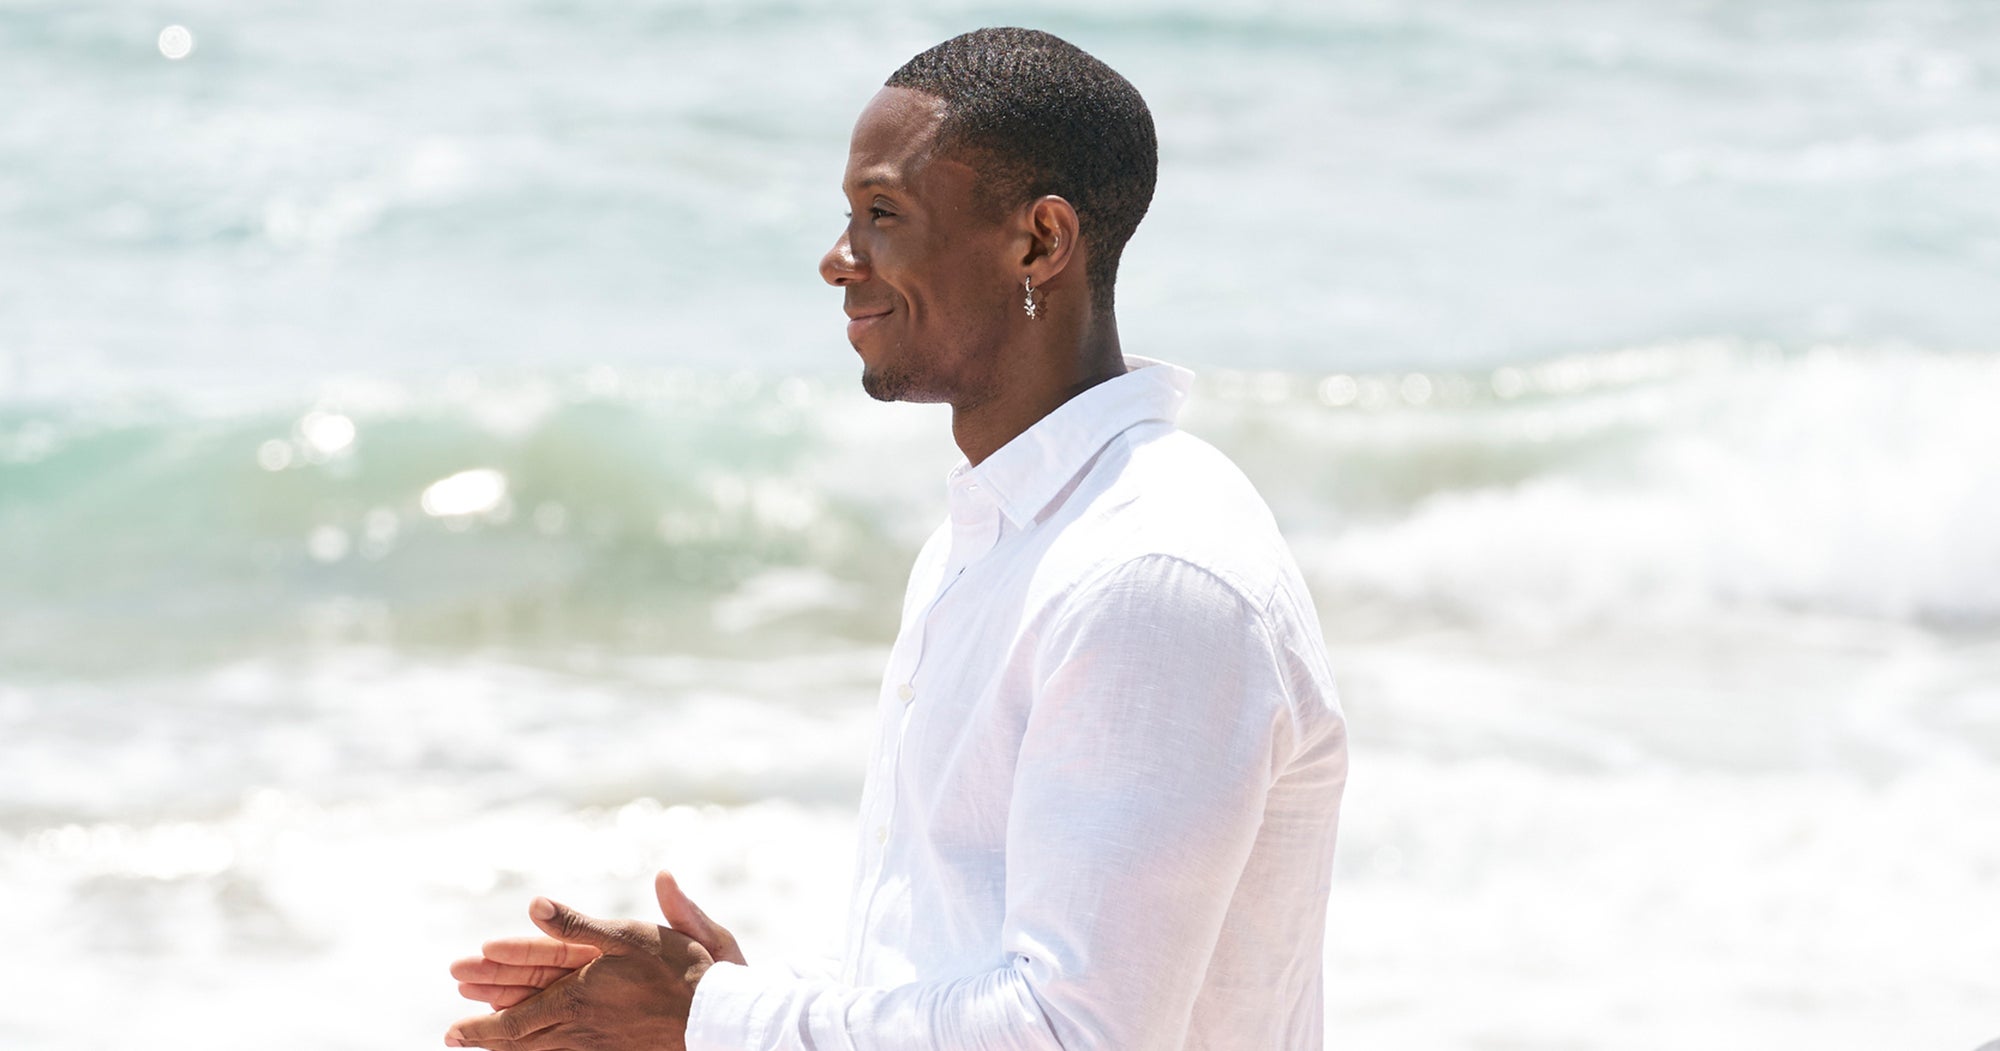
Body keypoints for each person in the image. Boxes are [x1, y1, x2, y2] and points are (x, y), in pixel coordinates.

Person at [444, 27, 1347, 1051]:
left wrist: (714, 1017)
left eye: (882, 215)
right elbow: (964, 970)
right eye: (848, 217)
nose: (838, 260)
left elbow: (1072, 1032)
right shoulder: (1000, 538)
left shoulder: (1147, 572)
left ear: (1039, 242)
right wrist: (728, 1008)